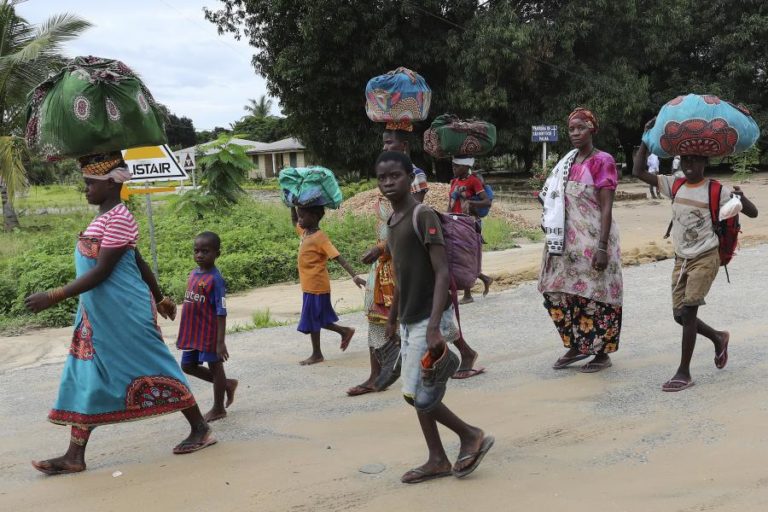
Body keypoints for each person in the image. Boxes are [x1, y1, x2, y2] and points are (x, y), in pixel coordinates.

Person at [24, 154, 215, 475]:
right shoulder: (104, 217)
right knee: (88, 375)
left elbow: (102, 271)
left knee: (156, 365)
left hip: (125, 314)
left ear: (112, 183)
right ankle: (74, 456)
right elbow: (138, 261)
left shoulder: (120, 217)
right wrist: (160, 297)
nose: (85, 189)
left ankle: (201, 429)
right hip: (96, 317)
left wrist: (53, 295)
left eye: (90, 184)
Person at [377, 150, 494, 484]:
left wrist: (433, 327)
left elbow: (441, 272)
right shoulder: (392, 221)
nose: (388, 182)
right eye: (382, 177)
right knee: (416, 394)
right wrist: (392, 318)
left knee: (418, 394)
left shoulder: (422, 214)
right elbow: (401, 274)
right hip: (409, 316)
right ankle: (438, 458)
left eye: (395, 176)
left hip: (429, 316)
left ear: (410, 179)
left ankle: (470, 435)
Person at [633, 138, 758, 392]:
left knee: (689, 312)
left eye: (695, 159)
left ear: (705, 161)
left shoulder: (716, 190)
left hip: (706, 256)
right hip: (682, 258)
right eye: (685, 159)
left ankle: (684, 372)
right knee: (679, 315)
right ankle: (718, 337)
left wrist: (741, 199)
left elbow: (753, 213)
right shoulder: (675, 184)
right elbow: (638, 172)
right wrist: (645, 141)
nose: (689, 164)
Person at [379, 129, 484, 380]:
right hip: (405, 257)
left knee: (436, 322)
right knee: (434, 322)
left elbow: (413, 210)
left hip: (421, 253)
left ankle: (452, 359)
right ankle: (444, 361)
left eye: (390, 142)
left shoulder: (416, 182)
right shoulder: (392, 196)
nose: (385, 147)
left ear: (404, 145)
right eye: (383, 178)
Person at [539, 108, 624, 373]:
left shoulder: (603, 161)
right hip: (566, 244)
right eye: (572, 129)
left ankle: (601, 353)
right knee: (557, 291)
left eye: (581, 128)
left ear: (592, 129)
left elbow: (606, 207)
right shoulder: (568, 162)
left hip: (594, 242)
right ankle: (576, 345)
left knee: (596, 296)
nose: (575, 133)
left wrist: (602, 247)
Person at [176, 231, 238, 422]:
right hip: (192, 331)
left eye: (205, 251)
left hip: (208, 332)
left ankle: (219, 408)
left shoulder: (216, 280)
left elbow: (221, 311)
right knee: (187, 366)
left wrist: (220, 342)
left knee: (215, 367)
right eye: (196, 251)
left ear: (217, 254)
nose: (200, 255)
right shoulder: (194, 273)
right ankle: (227, 384)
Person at [292, 205, 365, 365]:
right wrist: (293, 203)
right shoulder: (305, 232)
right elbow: (294, 221)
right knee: (319, 318)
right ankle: (345, 331)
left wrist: (354, 276)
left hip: (317, 286)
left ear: (314, 217)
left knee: (314, 318)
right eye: (299, 216)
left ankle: (317, 354)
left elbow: (337, 257)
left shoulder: (320, 237)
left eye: (303, 216)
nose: (299, 220)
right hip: (308, 286)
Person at [448, 156, 493, 304]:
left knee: (464, 256)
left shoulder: (473, 181)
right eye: (453, 166)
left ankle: (467, 295)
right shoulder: (454, 182)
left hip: (469, 223)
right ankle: (484, 279)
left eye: (456, 166)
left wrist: (470, 202)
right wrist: (446, 217)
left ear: (465, 167)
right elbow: (451, 202)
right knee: (456, 256)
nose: (454, 169)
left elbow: (486, 201)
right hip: (454, 222)